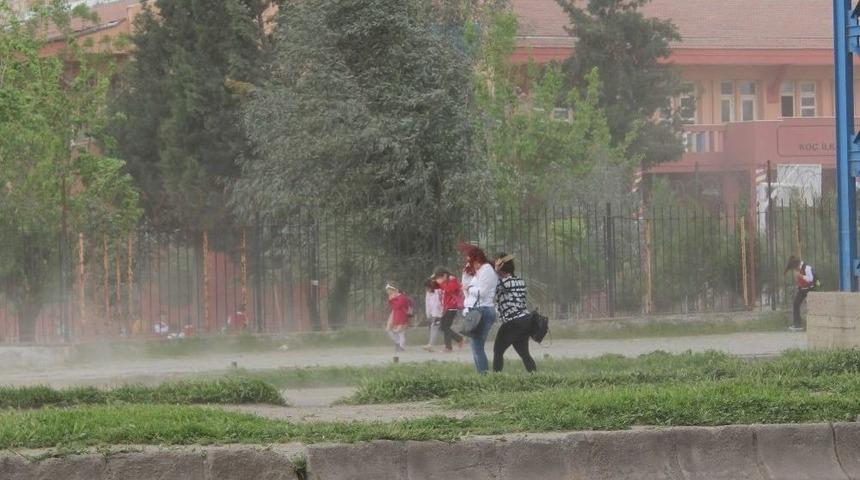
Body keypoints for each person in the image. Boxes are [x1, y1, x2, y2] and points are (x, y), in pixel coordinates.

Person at [458, 242, 498, 374]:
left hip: (483, 311)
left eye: (470, 260)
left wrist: (469, 288)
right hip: (477, 311)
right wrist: (467, 283)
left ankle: (483, 376)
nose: (469, 263)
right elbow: (468, 291)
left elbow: (483, 292)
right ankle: (481, 375)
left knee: (477, 347)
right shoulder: (479, 271)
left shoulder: (486, 269)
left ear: (477, 259)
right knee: (475, 347)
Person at [492, 253, 537, 373]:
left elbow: (490, 289)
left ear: (501, 267)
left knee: (498, 351)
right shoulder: (520, 281)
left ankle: (495, 379)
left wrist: (495, 271)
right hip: (525, 320)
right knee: (524, 353)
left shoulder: (502, 283)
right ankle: (535, 376)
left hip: (512, 322)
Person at [433, 267, 465, 352]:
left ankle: (449, 347)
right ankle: (458, 339)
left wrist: (441, 284)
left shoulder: (452, 279)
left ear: (444, 275)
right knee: (442, 327)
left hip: (453, 307)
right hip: (447, 307)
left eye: (439, 277)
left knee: (445, 327)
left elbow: (450, 289)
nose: (439, 280)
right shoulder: (445, 281)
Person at [785, 256, 815, 332]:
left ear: (797, 265)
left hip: (810, 289)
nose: (794, 270)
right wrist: (797, 279)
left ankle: (814, 324)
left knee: (812, 306)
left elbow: (811, 279)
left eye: (794, 268)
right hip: (802, 289)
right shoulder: (797, 269)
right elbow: (800, 281)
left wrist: (801, 276)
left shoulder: (807, 267)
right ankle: (797, 325)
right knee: (796, 304)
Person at [385, 281, 410, 351]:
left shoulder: (402, 297)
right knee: (393, 331)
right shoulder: (394, 297)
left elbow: (397, 306)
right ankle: (398, 343)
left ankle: (401, 346)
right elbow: (394, 307)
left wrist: (392, 300)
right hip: (396, 315)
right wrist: (392, 299)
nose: (387, 292)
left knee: (400, 332)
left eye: (389, 290)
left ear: (394, 290)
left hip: (402, 317)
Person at [423, 279, 443, 352]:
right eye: (426, 288)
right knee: (441, 329)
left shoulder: (438, 291)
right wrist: (428, 315)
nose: (426, 289)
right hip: (432, 314)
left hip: (438, 313)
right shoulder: (428, 293)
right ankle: (459, 339)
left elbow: (439, 303)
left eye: (428, 288)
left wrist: (438, 314)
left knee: (434, 327)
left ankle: (430, 345)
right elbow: (427, 304)